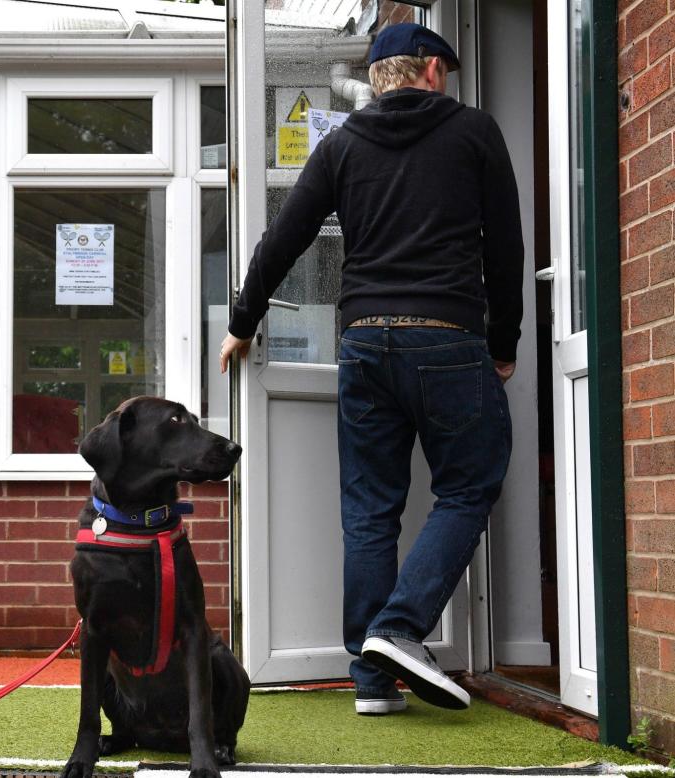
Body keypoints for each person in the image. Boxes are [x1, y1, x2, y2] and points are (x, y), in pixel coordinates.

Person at [219, 23, 523, 715]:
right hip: (446, 335)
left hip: (363, 343)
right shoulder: (474, 133)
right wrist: (501, 340)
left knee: (368, 511)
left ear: (379, 77)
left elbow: (283, 237)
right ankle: (396, 628)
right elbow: (505, 249)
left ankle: (369, 681)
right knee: (468, 487)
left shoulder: (341, 145)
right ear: (433, 73)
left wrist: (242, 321)